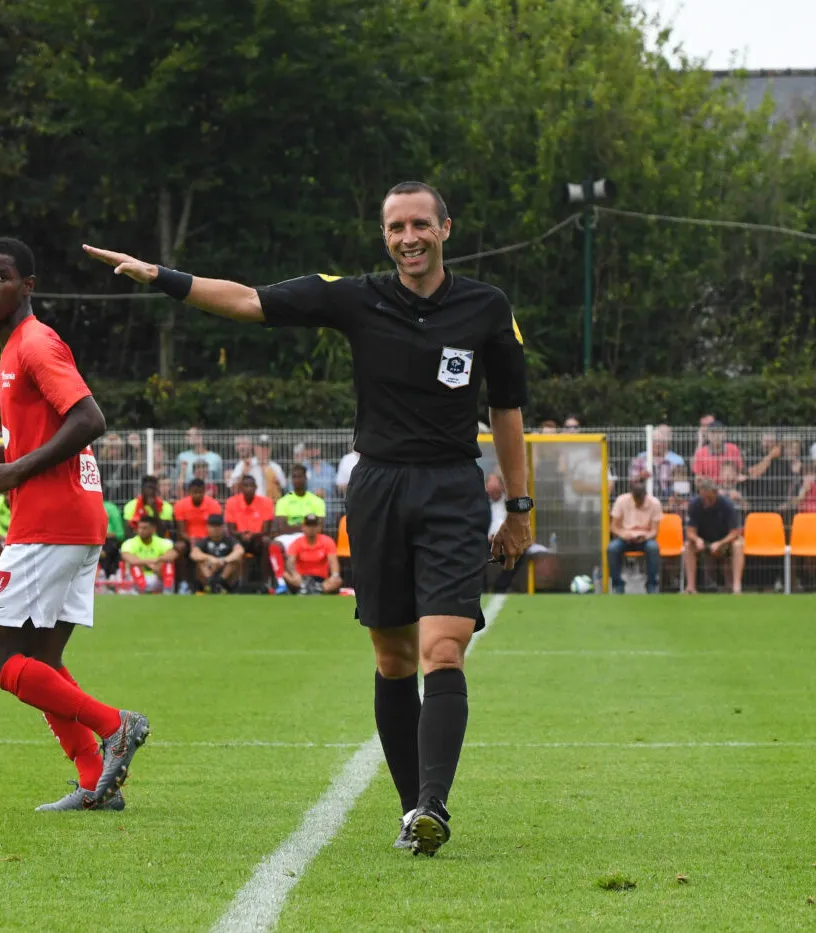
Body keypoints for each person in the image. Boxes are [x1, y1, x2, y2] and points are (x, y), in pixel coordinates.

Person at [84, 179, 532, 857]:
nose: (407, 237)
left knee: (444, 648)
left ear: (446, 228)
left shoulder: (487, 308)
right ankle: (414, 808)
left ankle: (434, 803)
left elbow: (507, 410)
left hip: (451, 490)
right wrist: (161, 276)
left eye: (419, 224)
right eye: (394, 228)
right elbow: (247, 300)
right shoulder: (355, 295)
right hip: (377, 488)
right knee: (392, 656)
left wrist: (520, 508)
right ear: (384, 236)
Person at [0, 237, 148, 814]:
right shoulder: (15, 351)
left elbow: (89, 418)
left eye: (0, 277)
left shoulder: (34, 343)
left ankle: (116, 725)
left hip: (50, 521)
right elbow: (29, 438)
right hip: (72, 519)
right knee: (44, 661)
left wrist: (15, 473)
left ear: (27, 286)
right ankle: (92, 782)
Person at [682, 478, 744, 594]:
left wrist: (720, 543)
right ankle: (690, 587)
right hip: (704, 540)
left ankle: (736, 587)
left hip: (725, 541)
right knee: (688, 545)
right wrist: (697, 539)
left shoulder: (727, 505)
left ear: (715, 493)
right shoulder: (695, 504)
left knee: (738, 545)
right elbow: (690, 531)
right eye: (703, 498)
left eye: (709, 498)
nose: (706, 501)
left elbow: (735, 532)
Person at [606, 479, 662, 594]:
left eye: (640, 500)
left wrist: (645, 536)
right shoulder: (621, 501)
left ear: (645, 496)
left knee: (653, 548)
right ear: (631, 495)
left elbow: (655, 531)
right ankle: (618, 585)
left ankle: (651, 585)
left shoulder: (655, 503)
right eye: (636, 499)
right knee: (612, 549)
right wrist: (623, 535)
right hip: (624, 538)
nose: (638, 502)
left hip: (644, 539)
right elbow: (613, 527)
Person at [224, 474, 278, 591]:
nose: (249, 488)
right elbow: (231, 530)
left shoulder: (266, 502)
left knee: (266, 542)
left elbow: (266, 530)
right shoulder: (231, 502)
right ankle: (231, 584)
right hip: (239, 538)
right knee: (231, 543)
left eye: (251, 486)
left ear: (256, 487)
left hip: (257, 539)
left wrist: (252, 535)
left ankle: (266, 582)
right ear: (241, 488)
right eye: (246, 486)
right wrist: (242, 534)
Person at [173, 477, 224, 593]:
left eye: (200, 492)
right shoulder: (181, 505)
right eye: (195, 492)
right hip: (189, 539)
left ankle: (214, 584)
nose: (198, 495)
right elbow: (181, 532)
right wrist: (192, 540)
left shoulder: (213, 505)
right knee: (180, 547)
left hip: (209, 539)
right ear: (189, 492)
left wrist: (202, 541)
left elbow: (216, 528)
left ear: (204, 491)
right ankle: (183, 584)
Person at [284, 514, 343, 595]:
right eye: (308, 526)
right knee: (286, 575)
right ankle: (306, 587)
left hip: (321, 579)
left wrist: (334, 575)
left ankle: (317, 589)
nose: (311, 529)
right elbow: (290, 562)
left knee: (337, 580)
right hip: (301, 578)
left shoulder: (327, 541)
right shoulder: (297, 543)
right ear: (303, 527)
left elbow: (333, 562)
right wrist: (294, 574)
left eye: (314, 526)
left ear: (319, 528)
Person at [119, 515, 178, 594]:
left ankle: (167, 592)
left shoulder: (162, 542)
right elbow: (131, 559)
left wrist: (159, 560)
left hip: (156, 575)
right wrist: (151, 563)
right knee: (134, 565)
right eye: (139, 528)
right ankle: (140, 590)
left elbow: (173, 554)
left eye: (144, 528)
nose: (141, 531)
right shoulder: (130, 543)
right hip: (137, 577)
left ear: (153, 530)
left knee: (168, 563)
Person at [190, 513, 245, 593]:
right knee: (201, 561)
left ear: (223, 527)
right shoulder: (204, 541)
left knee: (236, 560)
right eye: (212, 526)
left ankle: (221, 582)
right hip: (210, 569)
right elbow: (194, 554)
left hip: (226, 570)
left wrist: (223, 560)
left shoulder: (230, 540)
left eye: (218, 526)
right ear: (207, 527)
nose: (215, 529)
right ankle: (210, 583)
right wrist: (210, 558)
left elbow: (240, 551)